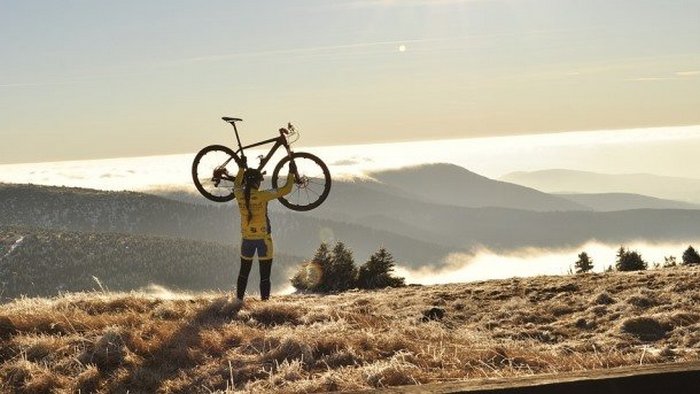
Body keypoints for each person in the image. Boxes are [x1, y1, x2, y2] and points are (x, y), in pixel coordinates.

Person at [232, 157, 296, 301]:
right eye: (260, 182)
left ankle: (237, 302)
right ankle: (265, 304)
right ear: (256, 183)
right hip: (264, 240)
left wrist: (241, 168)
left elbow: (236, 183)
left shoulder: (238, 194)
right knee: (265, 276)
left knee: (243, 273)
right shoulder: (262, 195)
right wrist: (291, 173)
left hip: (246, 240)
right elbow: (286, 189)